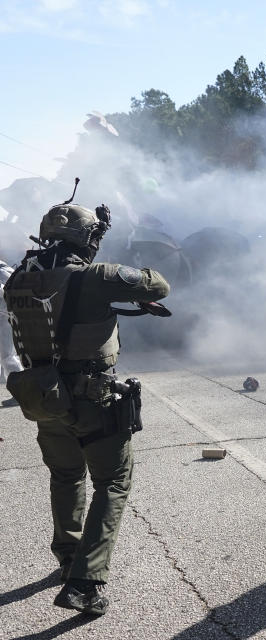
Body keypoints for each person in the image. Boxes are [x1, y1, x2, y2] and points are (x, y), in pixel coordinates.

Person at [4, 200, 170, 616]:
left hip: (46, 398)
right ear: (85, 239)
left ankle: (67, 556)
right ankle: (84, 583)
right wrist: (98, 257)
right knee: (113, 483)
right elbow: (158, 285)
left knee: (65, 476)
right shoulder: (96, 277)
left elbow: (60, 305)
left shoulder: (18, 280)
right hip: (93, 401)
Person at [0, 256, 23, 406]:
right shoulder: (5, 269)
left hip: (6, 317)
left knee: (8, 356)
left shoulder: (3, 271)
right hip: (6, 316)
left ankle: (21, 393)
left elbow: (6, 293)